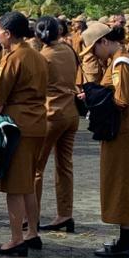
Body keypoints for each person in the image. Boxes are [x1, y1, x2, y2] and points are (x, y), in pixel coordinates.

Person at [81, 22, 129, 258]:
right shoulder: (119, 60)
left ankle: (127, 239)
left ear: (104, 41)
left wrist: (95, 95)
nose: (93, 55)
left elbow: (121, 100)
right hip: (125, 132)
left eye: (93, 49)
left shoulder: (120, 64)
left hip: (122, 132)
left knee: (122, 183)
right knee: (127, 182)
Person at [0, 13, 49, 256]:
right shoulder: (37, 55)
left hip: (16, 127)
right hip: (38, 124)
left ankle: (16, 239)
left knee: (14, 185)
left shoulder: (13, 58)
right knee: (27, 184)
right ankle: (32, 232)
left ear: (8, 34)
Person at [33, 16, 78, 233]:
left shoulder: (44, 56)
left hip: (51, 113)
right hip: (71, 112)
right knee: (64, 166)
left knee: (36, 168)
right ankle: (65, 214)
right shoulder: (69, 50)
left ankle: (30, 217)